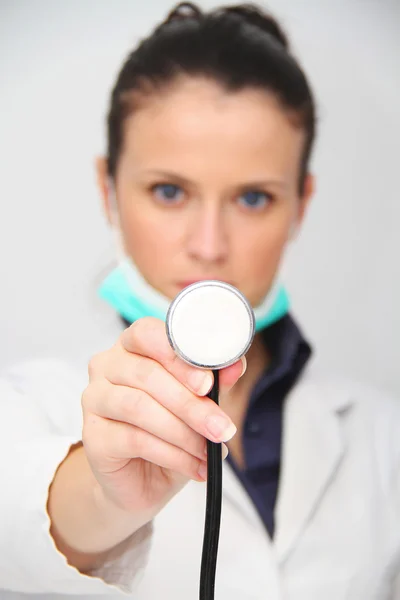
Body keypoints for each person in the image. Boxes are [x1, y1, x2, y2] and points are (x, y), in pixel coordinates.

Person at [1, 2, 400, 599]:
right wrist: (105, 495)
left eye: (254, 199)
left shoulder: (382, 437)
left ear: (302, 204)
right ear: (108, 191)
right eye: (169, 191)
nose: (209, 247)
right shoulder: (26, 406)